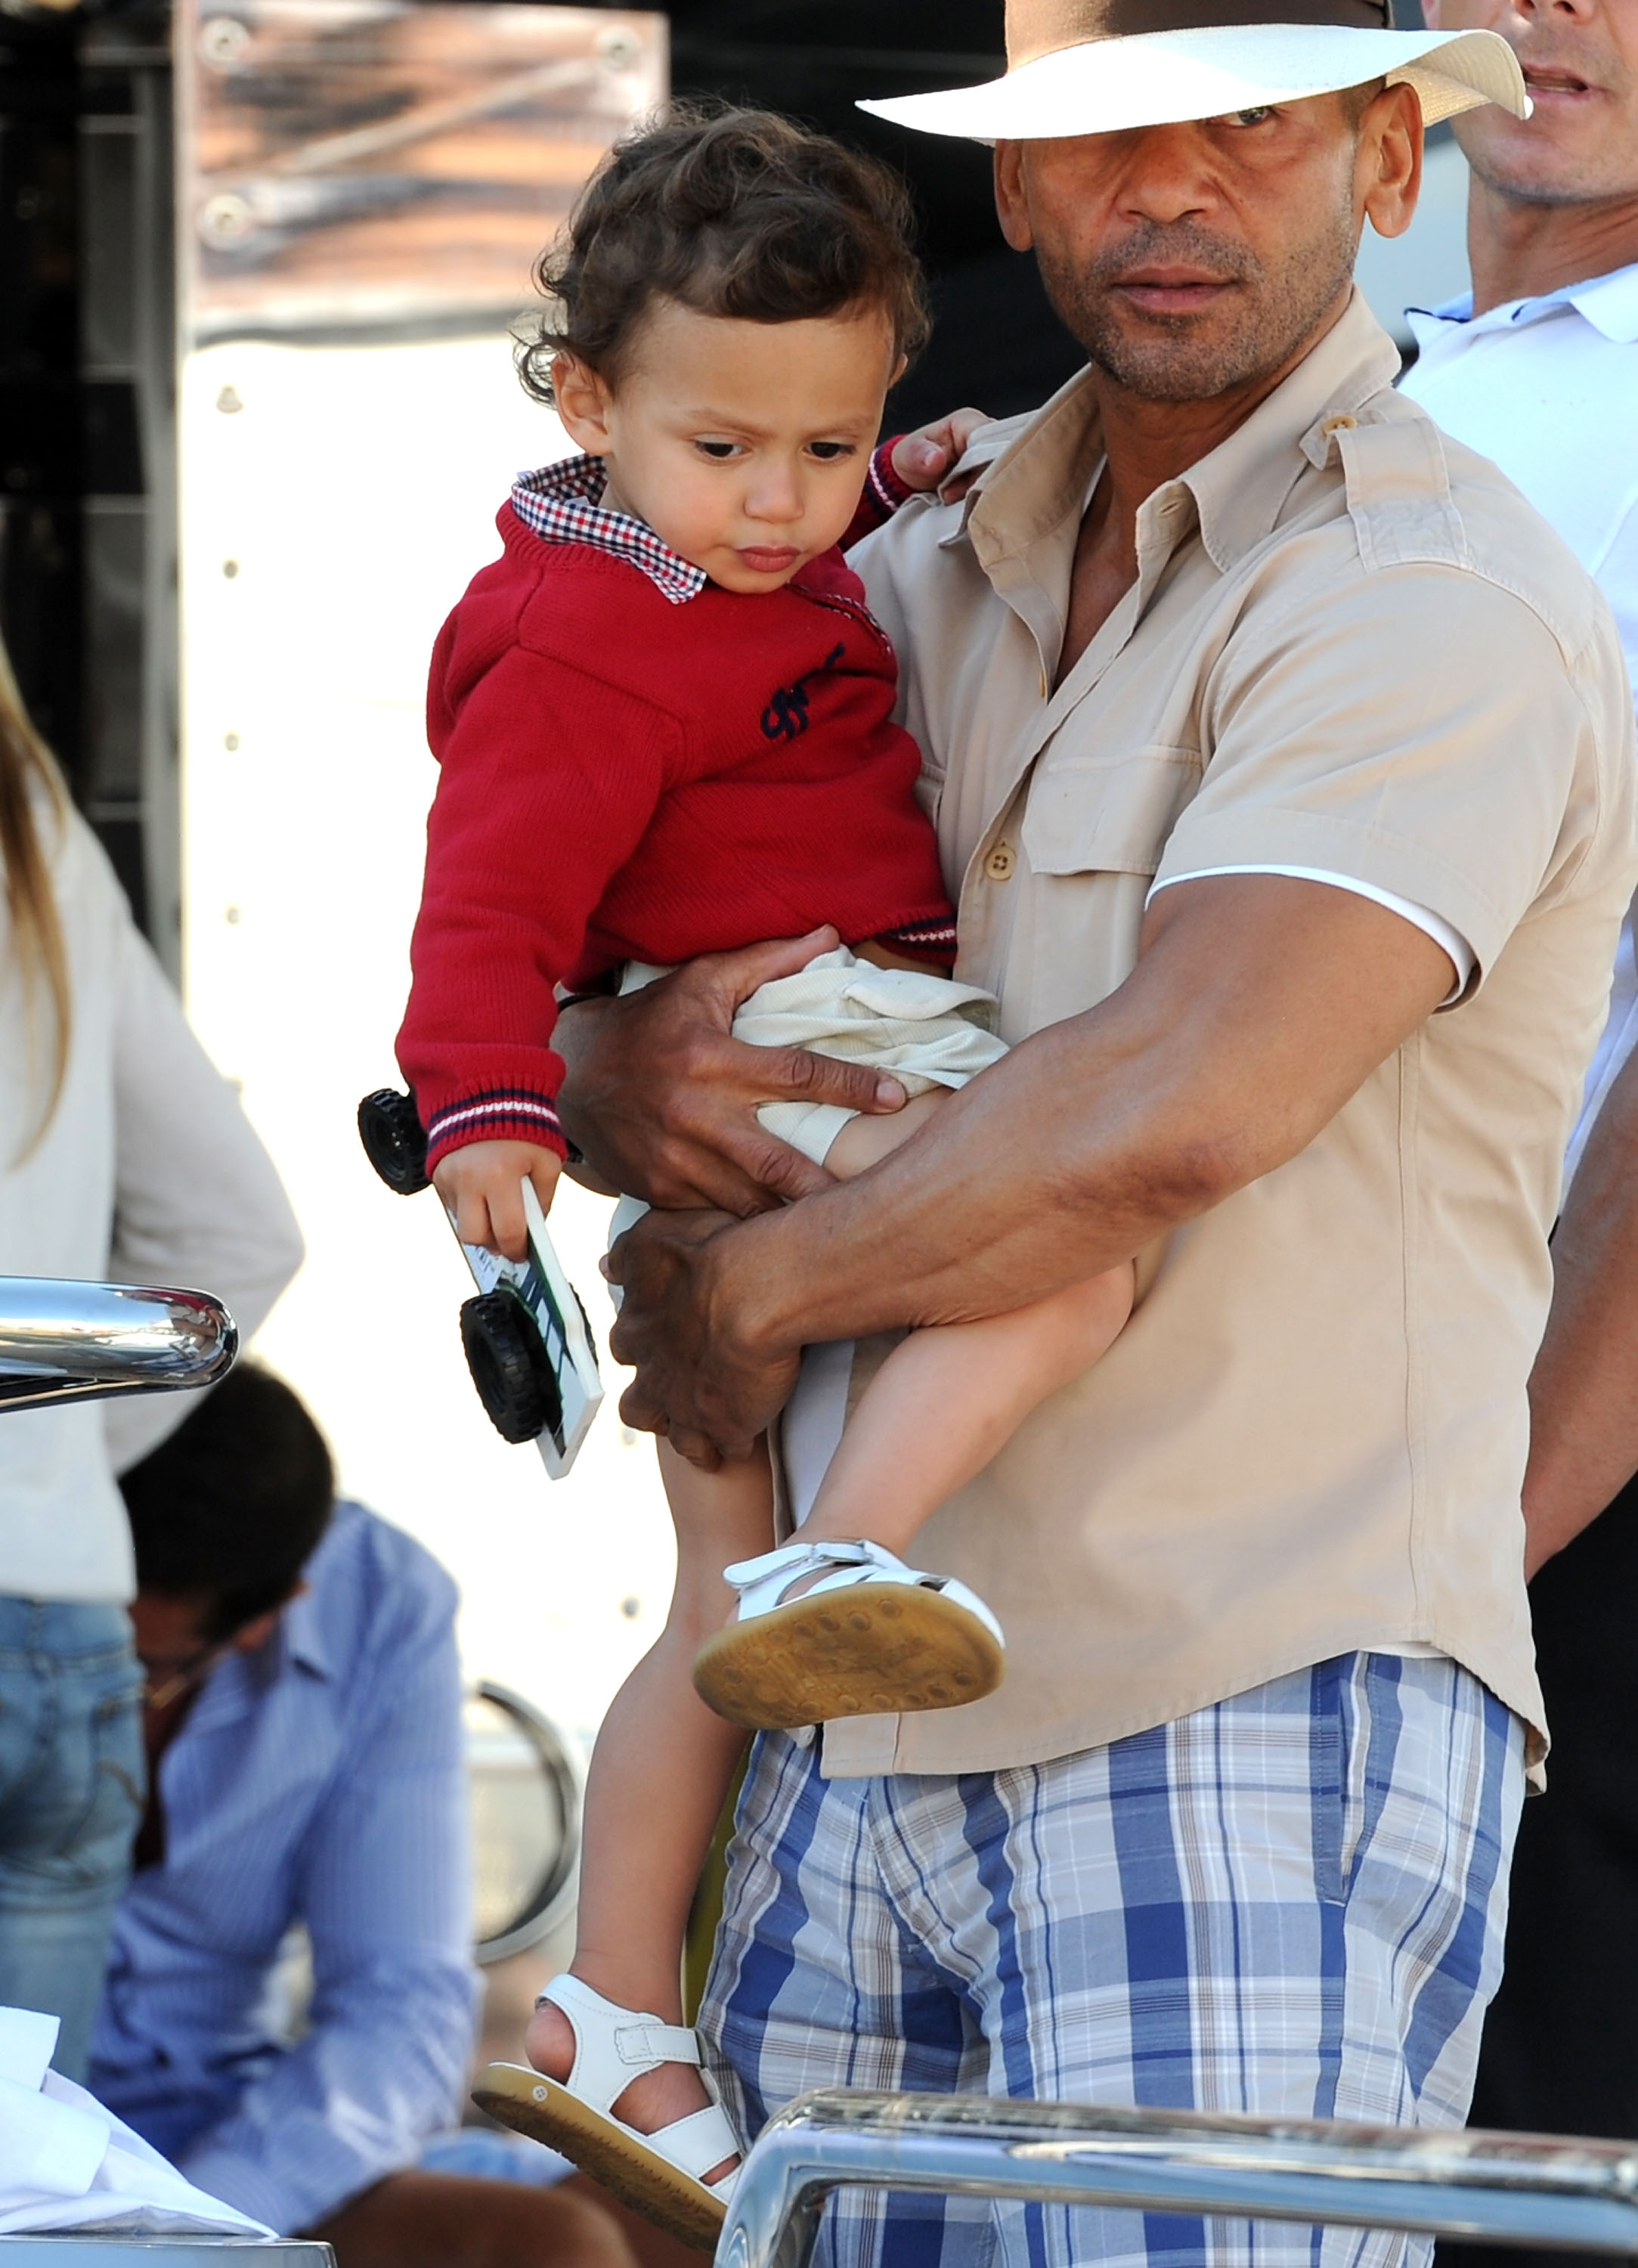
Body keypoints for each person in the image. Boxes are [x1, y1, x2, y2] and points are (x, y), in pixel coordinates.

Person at [541, 5, 1638, 2266]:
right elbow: (599, 937)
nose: (1173, 189)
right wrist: (602, 1064)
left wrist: (740, 1289)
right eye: (1105, 138)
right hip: (839, 1722)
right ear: (1018, 193)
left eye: (1251, 129)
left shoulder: (1418, 588)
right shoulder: (883, 564)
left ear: (1375, 171)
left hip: (1233, 1695)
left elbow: (1175, 1101)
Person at [395, 107, 1135, 2233]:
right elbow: (481, 911)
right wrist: (484, 1110)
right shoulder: (581, 645)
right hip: (806, 1037)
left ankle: (614, 2004)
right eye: (726, 451)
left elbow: (797, 533)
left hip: (756, 1095)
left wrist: (895, 483)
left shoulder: (725, 556)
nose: (778, 502)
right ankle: (867, 1546)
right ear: (585, 401)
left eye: (828, 446)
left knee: (698, 1604)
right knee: (1073, 1248)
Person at [1395, 0, 1638, 2219]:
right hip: (1237, 1483)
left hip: (1524, 1500)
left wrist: (1483, 1543)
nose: (1552, 8)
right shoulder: (1330, 338)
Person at [87, 1361, 683, 2268]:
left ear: (269, 1617)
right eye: (86, 1657)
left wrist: (187, 2228)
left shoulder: (380, 1605)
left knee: (674, 2223)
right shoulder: (47, 1552)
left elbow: (401, 2008)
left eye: (150, 1672)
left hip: (234, 2141)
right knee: (565, 2241)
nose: (114, 1701)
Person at [0, 632, 302, 2081]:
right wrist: (51, 1457)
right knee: (31, 2205)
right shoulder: (39, 836)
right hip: (61, 1632)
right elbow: (238, 1243)